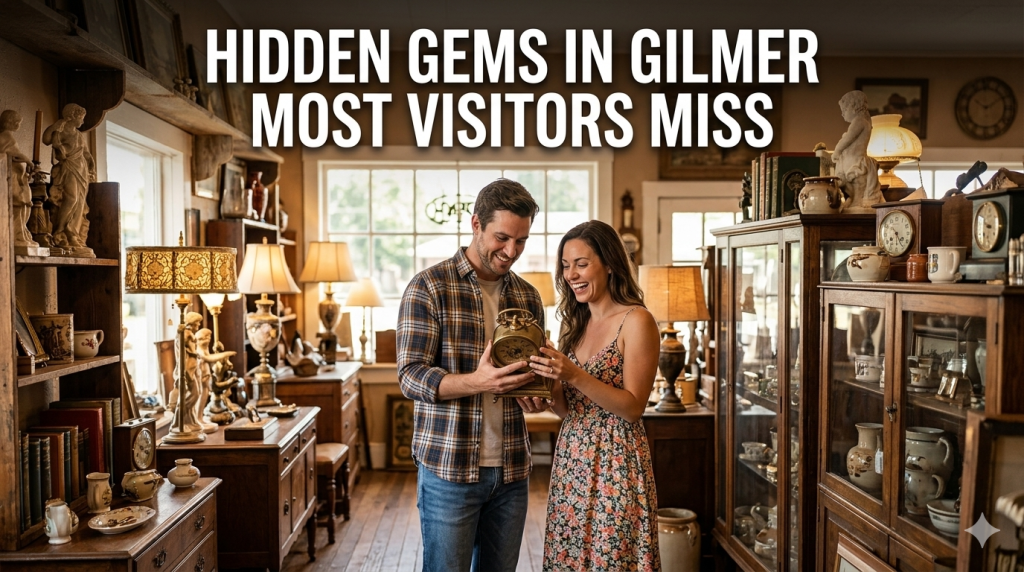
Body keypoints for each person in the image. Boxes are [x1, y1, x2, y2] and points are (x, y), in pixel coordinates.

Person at [397, 178, 545, 572]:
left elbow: (529, 376)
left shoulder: (529, 297)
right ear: (476, 223)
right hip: (449, 469)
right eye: (502, 237)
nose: (511, 251)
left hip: (512, 470)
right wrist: (478, 382)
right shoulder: (428, 286)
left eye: (521, 241)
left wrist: (533, 392)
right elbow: (410, 376)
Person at [524, 220, 662, 571]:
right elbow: (570, 410)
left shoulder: (636, 321)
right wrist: (547, 389)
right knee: (571, 557)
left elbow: (632, 408)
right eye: (566, 266)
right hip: (572, 459)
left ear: (611, 263)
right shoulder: (574, 325)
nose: (571, 274)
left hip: (617, 460)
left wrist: (573, 374)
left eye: (581, 264)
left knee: (611, 559)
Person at [43, 102, 96, 256]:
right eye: (81, 118)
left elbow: (86, 153)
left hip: (82, 170)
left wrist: (91, 167)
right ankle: (60, 231)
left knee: (80, 203)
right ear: (72, 116)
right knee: (71, 199)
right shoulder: (61, 131)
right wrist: (54, 126)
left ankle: (73, 234)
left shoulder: (79, 135)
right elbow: (46, 140)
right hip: (69, 168)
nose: (83, 121)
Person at [833, 90, 882, 213]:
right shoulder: (863, 121)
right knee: (849, 187)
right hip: (852, 161)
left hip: (855, 162)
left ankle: (857, 202)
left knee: (856, 186)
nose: (842, 114)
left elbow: (848, 139)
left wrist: (837, 151)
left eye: (844, 110)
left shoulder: (859, 122)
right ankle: (854, 201)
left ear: (854, 107)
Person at [0, 110, 39, 248]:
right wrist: (28, 161)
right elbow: (12, 155)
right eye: (17, 122)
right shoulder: (6, 136)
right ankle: (17, 234)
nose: (18, 125)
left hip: (18, 177)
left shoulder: (8, 136)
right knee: (19, 205)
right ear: (9, 122)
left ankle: (21, 231)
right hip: (12, 178)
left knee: (24, 204)